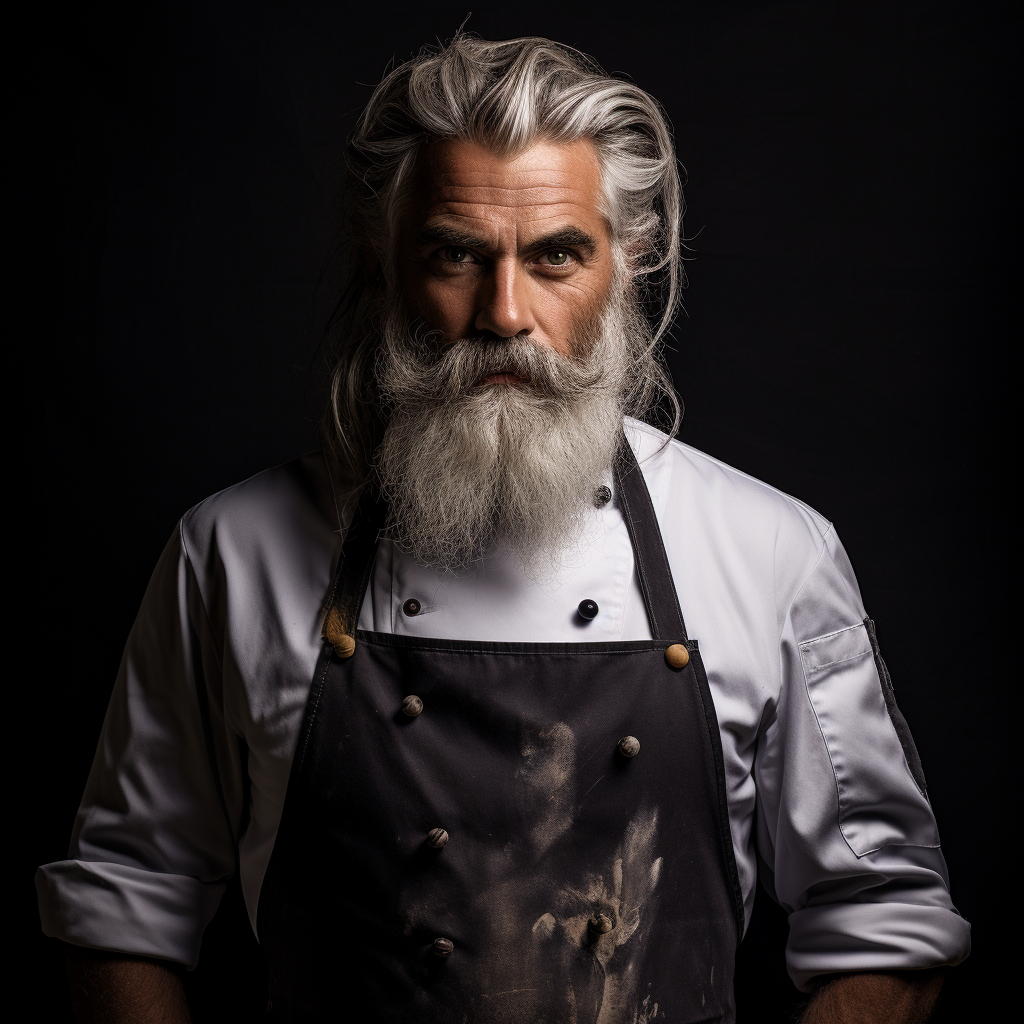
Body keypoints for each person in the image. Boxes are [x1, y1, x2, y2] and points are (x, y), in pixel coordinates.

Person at [37, 34, 970, 1024]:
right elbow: (122, 905)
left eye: (557, 254)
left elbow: (884, 914)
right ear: (384, 260)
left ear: (630, 259)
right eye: (455, 254)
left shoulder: (770, 551)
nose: (505, 312)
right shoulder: (231, 553)